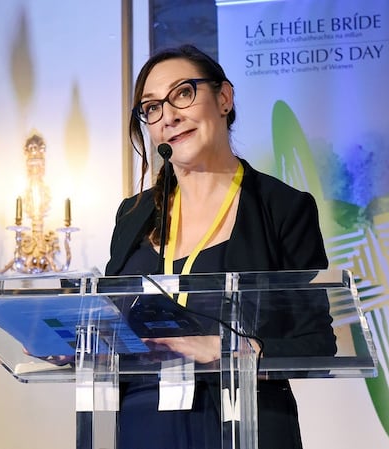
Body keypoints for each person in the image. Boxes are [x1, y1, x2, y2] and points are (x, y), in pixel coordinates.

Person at [96, 44, 337, 449]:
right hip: (144, 426)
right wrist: (79, 345)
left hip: (244, 423)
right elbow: (112, 325)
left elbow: (317, 344)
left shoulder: (282, 208)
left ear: (224, 98)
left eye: (183, 93)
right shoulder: (132, 215)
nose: (168, 116)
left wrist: (224, 349)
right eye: (152, 107)